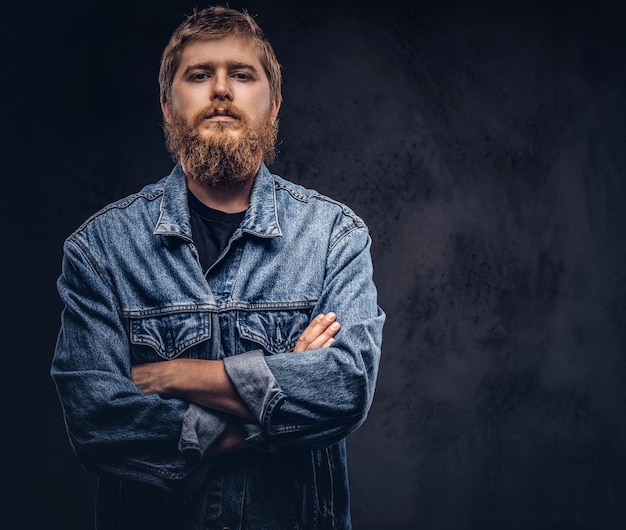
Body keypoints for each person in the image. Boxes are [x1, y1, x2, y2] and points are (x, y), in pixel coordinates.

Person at [51, 6, 385, 529]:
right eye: (200, 75)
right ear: (167, 106)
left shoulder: (333, 237)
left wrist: (171, 376)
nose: (222, 90)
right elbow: (96, 422)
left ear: (273, 105)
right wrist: (271, 406)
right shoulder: (100, 251)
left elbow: (344, 387)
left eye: (242, 74)